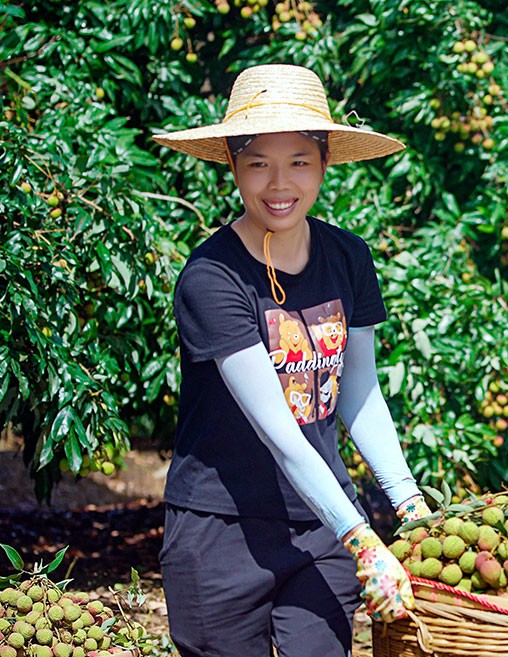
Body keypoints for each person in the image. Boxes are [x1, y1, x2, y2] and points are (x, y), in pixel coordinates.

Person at [152, 64, 431, 657]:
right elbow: (279, 434)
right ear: (233, 167)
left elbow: (359, 390)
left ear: (325, 164)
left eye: (299, 162)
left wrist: (408, 502)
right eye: (258, 164)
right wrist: (363, 539)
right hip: (222, 530)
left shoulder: (348, 256)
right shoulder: (212, 277)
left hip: (320, 522)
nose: (279, 184)